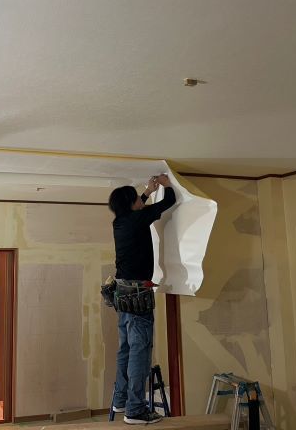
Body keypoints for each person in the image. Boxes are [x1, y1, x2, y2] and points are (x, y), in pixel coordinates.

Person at [108, 174, 176, 424]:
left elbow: (139, 208)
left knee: (126, 348)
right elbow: (168, 202)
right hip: (137, 295)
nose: (141, 199)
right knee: (140, 350)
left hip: (123, 292)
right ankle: (135, 410)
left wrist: (147, 191)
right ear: (131, 204)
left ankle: (121, 400)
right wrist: (167, 185)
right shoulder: (137, 219)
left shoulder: (120, 222)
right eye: (137, 198)